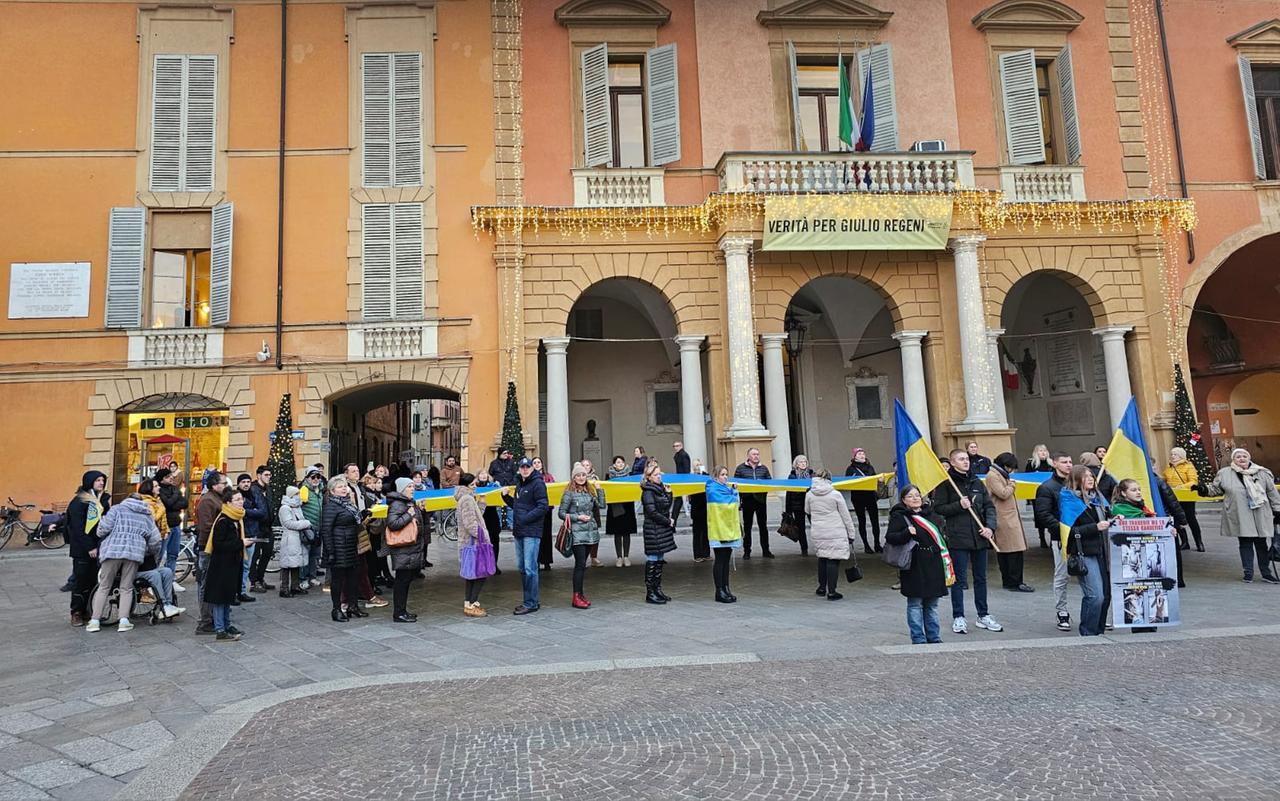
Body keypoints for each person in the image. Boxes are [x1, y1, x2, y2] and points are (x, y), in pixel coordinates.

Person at [932, 449, 1002, 634]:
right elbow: (938, 508)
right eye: (961, 459)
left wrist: (990, 528)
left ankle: (983, 614)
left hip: (979, 537)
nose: (966, 462)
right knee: (959, 580)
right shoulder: (946, 484)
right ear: (953, 462)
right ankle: (959, 616)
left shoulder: (977, 481)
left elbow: (989, 507)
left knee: (981, 578)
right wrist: (958, 505)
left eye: (966, 459)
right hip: (958, 537)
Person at [1200, 447, 1280, 584]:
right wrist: (1203, 489)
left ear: (1249, 458)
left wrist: (1277, 510)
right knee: (1245, 543)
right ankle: (1248, 573)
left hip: (1260, 513)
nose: (1241, 458)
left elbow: (1272, 493)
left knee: (1261, 544)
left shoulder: (1262, 473)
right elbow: (1216, 489)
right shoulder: (1224, 473)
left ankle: (1266, 573)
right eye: (1238, 457)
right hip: (1240, 514)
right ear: (1233, 460)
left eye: (1244, 456)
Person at [86, 492, 163, 633]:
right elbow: (155, 540)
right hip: (134, 553)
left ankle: (94, 621)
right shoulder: (147, 515)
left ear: (127, 499)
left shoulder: (117, 509)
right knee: (126, 587)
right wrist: (149, 552)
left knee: (104, 586)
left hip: (112, 551)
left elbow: (102, 529)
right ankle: (123, 621)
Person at [886, 485, 950, 645]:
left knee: (932, 604)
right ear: (903, 500)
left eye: (917, 495)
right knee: (915, 604)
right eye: (910, 496)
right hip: (914, 564)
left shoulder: (931, 515)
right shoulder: (899, 517)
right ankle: (918, 637)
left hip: (933, 562)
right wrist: (906, 532)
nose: (915, 498)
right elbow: (891, 537)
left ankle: (934, 636)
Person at [1064, 466, 1112, 636]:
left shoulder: (1098, 498)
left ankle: (1098, 631)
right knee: (1095, 596)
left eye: (1092, 476)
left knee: (1106, 596)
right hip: (1085, 552)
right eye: (1085, 477)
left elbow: (1107, 518)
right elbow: (1068, 531)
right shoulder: (1068, 499)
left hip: (1103, 551)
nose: (1090, 479)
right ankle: (1088, 632)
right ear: (1076, 480)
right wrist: (1095, 527)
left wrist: (1114, 519)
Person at [1034, 451, 1075, 632]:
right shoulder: (1047, 487)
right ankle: (1062, 611)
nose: (1068, 465)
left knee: (1088, 576)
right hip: (1062, 538)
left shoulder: (1077, 484)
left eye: (1070, 461)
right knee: (1062, 576)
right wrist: (1061, 529)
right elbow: (1043, 514)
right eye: (1064, 462)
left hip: (1084, 536)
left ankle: (1094, 611)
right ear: (1055, 464)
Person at [205, 488, 252, 641]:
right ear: (228, 503)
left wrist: (244, 543)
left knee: (227, 596)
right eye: (237, 500)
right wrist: (241, 543)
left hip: (232, 563)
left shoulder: (236, 519)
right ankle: (220, 629)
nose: (241, 502)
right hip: (221, 565)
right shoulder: (224, 520)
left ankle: (227, 624)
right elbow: (218, 544)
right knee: (220, 598)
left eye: (241, 499)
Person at [504, 457, 549, 615]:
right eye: (522, 467)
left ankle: (532, 602)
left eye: (527, 467)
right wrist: (506, 498)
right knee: (522, 568)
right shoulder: (519, 484)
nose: (525, 469)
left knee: (530, 568)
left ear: (532, 468)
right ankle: (528, 600)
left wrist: (525, 518)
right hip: (520, 531)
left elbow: (543, 506)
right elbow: (518, 506)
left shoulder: (538, 483)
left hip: (531, 531)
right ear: (519, 469)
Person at [136, 479, 185, 619]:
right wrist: (163, 508)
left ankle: (168, 603)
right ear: (149, 488)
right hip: (150, 539)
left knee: (166, 570)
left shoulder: (157, 500)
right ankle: (160, 601)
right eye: (156, 486)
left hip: (161, 535)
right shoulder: (147, 503)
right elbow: (153, 518)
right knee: (155, 568)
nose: (158, 488)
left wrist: (166, 530)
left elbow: (182, 503)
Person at [321, 475, 366, 621]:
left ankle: (353, 606)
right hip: (338, 547)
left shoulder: (348, 503)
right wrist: (330, 551)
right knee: (338, 580)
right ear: (332, 491)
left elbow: (354, 520)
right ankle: (336, 609)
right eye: (340, 487)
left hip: (351, 546)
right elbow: (326, 529)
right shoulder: (330, 506)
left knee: (353, 578)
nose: (344, 489)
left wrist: (364, 514)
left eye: (344, 486)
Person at [986, 452, 1033, 593]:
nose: (1012, 471)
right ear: (1005, 465)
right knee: (1011, 551)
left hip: (1008, 517)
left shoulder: (999, 474)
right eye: (1011, 467)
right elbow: (1003, 493)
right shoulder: (993, 475)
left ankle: (1012, 580)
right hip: (1004, 518)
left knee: (1011, 551)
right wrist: (1012, 485)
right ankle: (1014, 582)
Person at [805, 470, 856, 601]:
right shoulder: (835, 494)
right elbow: (846, 516)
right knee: (833, 560)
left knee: (822, 558)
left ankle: (821, 588)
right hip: (835, 530)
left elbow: (807, 510)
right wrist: (851, 533)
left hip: (818, 530)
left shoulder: (810, 494)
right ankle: (832, 591)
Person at [558, 465, 604, 609]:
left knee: (583, 565)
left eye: (583, 475)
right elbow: (561, 513)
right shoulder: (568, 493)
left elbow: (601, 505)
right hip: (577, 533)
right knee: (580, 565)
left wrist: (600, 490)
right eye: (578, 475)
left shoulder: (589, 492)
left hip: (590, 533)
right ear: (574, 477)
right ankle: (576, 596)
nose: (581, 478)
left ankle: (581, 594)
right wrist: (578, 517)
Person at [67, 471, 109, 627]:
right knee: (80, 580)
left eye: (102, 480)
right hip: (82, 548)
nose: (101, 483)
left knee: (93, 581)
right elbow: (77, 528)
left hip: (100, 546)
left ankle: (88, 610)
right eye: (98, 480)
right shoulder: (79, 501)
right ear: (89, 482)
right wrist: (89, 546)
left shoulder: (103, 500)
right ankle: (76, 612)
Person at [384, 477, 427, 622]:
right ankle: (399, 613)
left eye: (412, 486)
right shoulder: (397, 504)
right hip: (403, 548)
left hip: (410, 548)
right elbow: (393, 523)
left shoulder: (408, 502)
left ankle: (402, 611)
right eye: (409, 487)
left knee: (406, 580)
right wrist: (409, 514)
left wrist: (420, 511)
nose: (412, 489)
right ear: (402, 489)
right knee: (402, 582)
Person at [193, 472, 230, 635]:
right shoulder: (208, 500)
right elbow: (207, 526)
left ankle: (214, 618)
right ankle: (205, 621)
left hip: (215, 547)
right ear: (214, 485)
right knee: (206, 584)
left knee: (212, 583)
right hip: (207, 548)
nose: (226, 485)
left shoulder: (218, 498)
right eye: (223, 483)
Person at [641, 461, 677, 604]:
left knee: (659, 560)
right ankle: (650, 593)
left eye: (659, 474)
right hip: (653, 528)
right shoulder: (648, 491)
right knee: (652, 559)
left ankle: (657, 589)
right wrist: (668, 521)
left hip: (660, 528)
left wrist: (669, 494)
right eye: (655, 475)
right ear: (649, 477)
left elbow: (665, 506)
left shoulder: (660, 489)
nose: (659, 477)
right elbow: (652, 512)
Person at [455, 473, 490, 617]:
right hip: (473, 543)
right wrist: (483, 536)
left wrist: (481, 504)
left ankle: (469, 603)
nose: (475, 487)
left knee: (472, 574)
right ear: (466, 486)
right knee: (481, 572)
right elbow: (470, 524)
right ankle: (471, 603)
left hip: (468, 542)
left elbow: (475, 516)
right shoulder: (468, 499)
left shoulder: (465, 498)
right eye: (473, 484)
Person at [706, 466, 741, 602]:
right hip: (718, 530)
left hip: (727, 529)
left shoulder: (726, 489)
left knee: (726, 560)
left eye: (727, 474)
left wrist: (732, 492)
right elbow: (728, 504)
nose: (726, 477)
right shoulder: (712, 489)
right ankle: (719, 590)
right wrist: (735, 492)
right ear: (716, 476)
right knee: (720, 560)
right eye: (723, 474)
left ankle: (726, 587)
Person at [734, 447, 772, 559]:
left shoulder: (764, 468)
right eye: (754, 454)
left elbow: (769, 481)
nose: (756, 456)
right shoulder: (740, 468)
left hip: (760, 500)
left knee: (763, 526)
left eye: (758, 454)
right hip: (747, 500)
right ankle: (747, 551)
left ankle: (766, 550)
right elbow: (736, 484)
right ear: (748, 456)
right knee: (747, 527)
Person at [1164, 447, 1204, 551]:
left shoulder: (1188, 466)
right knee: (1177, 520)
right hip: (1173, 497)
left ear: (1181, 455)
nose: (1172, 456)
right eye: (1172, 454)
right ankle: (1185, 542)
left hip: (1186, 496)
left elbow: (1193, 481)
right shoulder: (1168, 468)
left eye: (1175, 454)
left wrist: (1182, 487)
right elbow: (1165, 480)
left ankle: (1199, 543)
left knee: (1191, 519)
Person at [844, 448, 881, 553]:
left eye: (863, 453)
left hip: (870, 497)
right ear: (854, 456)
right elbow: (848, 483)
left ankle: (877, 544)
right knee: (862, 521)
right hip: (858, 498)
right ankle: (866, 545)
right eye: (859, 454)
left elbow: (874, 480)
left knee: (875, 521)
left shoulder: (870, 467)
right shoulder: (851, 469)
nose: (862, 455)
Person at [277, 486, 311, 598]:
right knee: (287, 564)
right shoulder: (285, 508)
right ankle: (284, 588)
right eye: (296, 494)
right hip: (289, 539)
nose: (298, 496)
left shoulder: (297, 506)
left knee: (296, 563)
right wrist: (305, 523)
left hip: (297, 539)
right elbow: (288, 523)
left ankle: (295, 586)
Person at [246, 466, 276, 595]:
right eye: (266, 475)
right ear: (259, 475)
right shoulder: (253, 489)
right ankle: (254, 582)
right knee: (255, 555)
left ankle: (260, 577)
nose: (269, 477)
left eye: (270, 475)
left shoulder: (268, 489)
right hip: (256, 528)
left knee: (267, 553)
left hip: (267, 527)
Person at [605, 456, 636, 567]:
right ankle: (619, 557)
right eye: (618, 462)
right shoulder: (609, 476)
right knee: (617, 532)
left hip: (627, 506)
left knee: (626, 532)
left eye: (622, 462)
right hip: (615, 506)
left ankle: (626, 556)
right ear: (614, 465)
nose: (620, 464)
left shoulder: (630, 475)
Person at [155, 467, 186, 577]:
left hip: (176, 524)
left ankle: (171, 579)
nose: (171, 478)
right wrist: (176, 497)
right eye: (168, 476)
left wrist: (173, 503)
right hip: (164, 527)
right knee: (159, 555)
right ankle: (154, 580)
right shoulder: (159, 490)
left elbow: (185, 503)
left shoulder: (174, 489)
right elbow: (167, 503)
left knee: (173, 554)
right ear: (162, 479)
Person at [300, 467, 325, 589]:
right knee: (305, 554)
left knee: (315, 555)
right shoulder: (303, 490)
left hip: (318, 527)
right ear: (307, 478)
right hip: (308, 528)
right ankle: (303, 578)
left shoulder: (320, 491)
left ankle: (312, 577)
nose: (316, 479)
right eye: (313, 477)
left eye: (318, 477)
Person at [785, 454, 814, 557]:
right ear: (796, 464)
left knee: (815, 526)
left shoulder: (812, 475)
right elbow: (789, 493)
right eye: (800, 462)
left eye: (804, 462)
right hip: (798, 505)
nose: (803, 464)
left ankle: (819, 546)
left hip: (811, 504)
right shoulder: (792, 476)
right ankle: (804, 548)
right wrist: (788, 509)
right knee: (801, 528)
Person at [1025, 444, 1053, 548]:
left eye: (1045, 450)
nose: (1043, 453)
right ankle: (1042, 538)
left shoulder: (1051, 464)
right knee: (1039, 516)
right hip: (1037, 494)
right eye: (1040, 451)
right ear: (1036, 452)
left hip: (1050, 494)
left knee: (1051, 515)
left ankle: (1052, 537)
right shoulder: (1032, 464)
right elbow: (1027, 478)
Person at [531, 456, 556, 570]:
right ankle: (536, 560)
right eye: (534, 462)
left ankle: (546, 561)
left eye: (538, 462)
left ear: (542, 464)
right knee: (536, 536)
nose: (537, 464)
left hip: (546, 509)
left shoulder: (548, 477)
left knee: (546, 536)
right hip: (534, 509)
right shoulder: (529, 478)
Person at [476, 470, 503, 575]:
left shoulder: (493, 486)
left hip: (492, 517)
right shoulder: (475, 487)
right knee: (481, 541)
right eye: (481, 473)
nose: (483, 475)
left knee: (494, 541)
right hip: (481, 517)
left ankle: (494, 564)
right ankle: (483, 564)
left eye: (484, 473)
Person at [580, 458, 604, 567]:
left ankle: (594, 557)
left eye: (587, 465)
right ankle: (583, 558)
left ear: (591, 467)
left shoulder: (595, 479)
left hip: (593, 510)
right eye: (583, 465)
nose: (585, 467)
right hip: (581, 511)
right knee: (583, 535)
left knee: (594, 535)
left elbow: (600, 501)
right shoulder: (576, 479)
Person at [488, 449, 516, 528]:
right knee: (498, 507)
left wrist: (512, 483)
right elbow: (490, 474)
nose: (506, 454)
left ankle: (511, 525)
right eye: (504, 453)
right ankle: (498, 525)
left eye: (507, 453)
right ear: (500, 454)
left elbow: (515, 474)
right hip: (498, 487)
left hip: (509, 486)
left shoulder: (511, 462)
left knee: (510, 507)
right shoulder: (493, 463)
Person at [690, 459, 710, 562]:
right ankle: (697, 554)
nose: (698, 467)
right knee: (697, 533)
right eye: (696, 465)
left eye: (699, 464)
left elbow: (710, 481)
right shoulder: (691, 477)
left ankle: (706, 553)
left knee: (706, 532)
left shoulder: (705, 475)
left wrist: (704, 472)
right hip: (696, 508)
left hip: (705, 507)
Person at [671, 441, 691, 523]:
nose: (676, 447)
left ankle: (674, 520)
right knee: (679, 502)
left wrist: (685, 481)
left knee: (682, 502)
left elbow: (686, 469)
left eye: (677, 446)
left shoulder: (683, 455)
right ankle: (673, 521)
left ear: (681, 446)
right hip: (680, 480)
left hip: (683, 481)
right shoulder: (677, 455)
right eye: (674, 446)